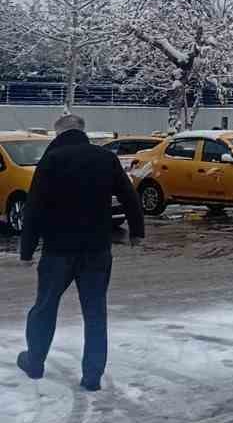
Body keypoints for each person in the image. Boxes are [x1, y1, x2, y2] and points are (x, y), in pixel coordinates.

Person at [16, 113, 144, 391]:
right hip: (96, 249)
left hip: (58, 250)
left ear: (59, 133)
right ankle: (92, 377)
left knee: (45, 307)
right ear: (83, 132)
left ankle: (35, 362)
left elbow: (34, 207)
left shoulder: (51, 159)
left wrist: (27, 251)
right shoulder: (105, 158)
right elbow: (129, 195)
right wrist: (137, 232)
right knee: (95, 313)